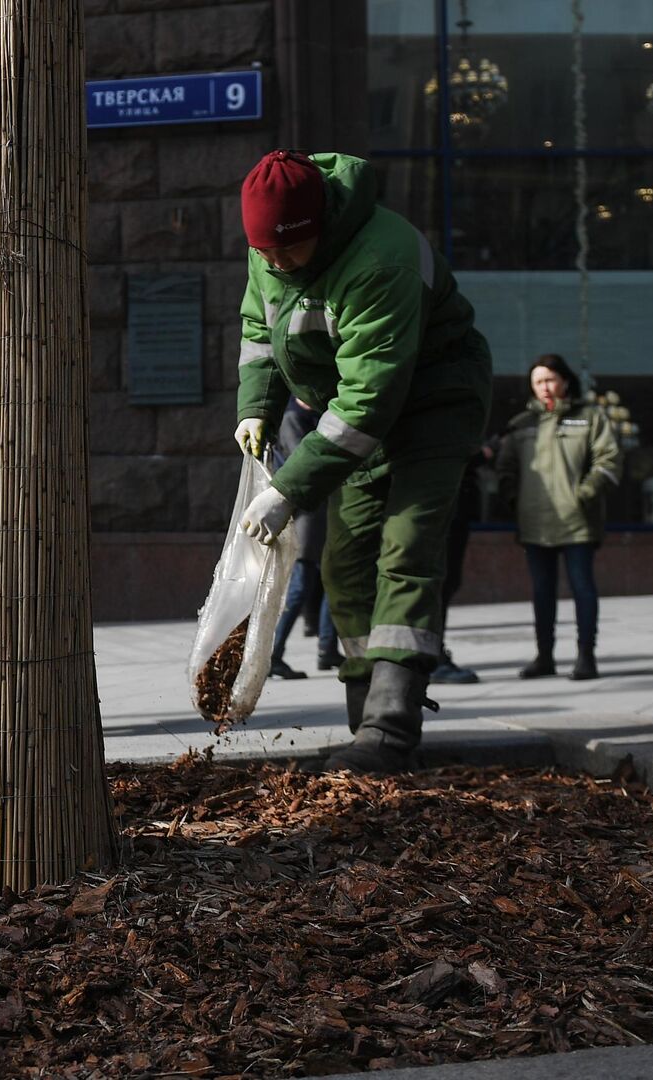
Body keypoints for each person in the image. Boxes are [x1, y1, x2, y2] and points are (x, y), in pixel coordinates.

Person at [230, 150, 492, 774]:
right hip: (349, 416)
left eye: (285, 252)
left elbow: (369, 402)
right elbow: (259, 333)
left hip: (432, 405)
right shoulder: (270, 247)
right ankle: (363, 721)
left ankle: (391, 729)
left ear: (318, 226)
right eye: (262, 251)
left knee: (406, 549)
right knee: (345, 566)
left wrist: (288, 490)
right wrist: (256, 406)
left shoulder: (383, 258)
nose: (273, 263)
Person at [495, 354, 622, 682]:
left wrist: (585, 495)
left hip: (577, 521)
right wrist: (513, 499)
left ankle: (585, 657)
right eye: (538, 382)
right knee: (541, 591)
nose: (545, 387)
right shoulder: (522, 424)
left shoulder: (590, 417)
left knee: (583, 588)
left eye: (550, 379)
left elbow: (608, 460)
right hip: (534, 522)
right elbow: (506, 469)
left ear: (565, 380)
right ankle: (545, 657)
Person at [266, 398, 339, 680]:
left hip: (325, 512)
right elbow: (304, 464)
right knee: (300, 585)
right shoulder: (292, 418)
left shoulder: (317, 415)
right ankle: (273, 654)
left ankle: (327, 648)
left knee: (332, 579)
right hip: (307, 516)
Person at [428, 451, 485, 685]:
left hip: (450, 503)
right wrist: (485, 452)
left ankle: (431, 653)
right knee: (439, 583)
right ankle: (432, 657)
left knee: (446, 583)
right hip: (442, 503)